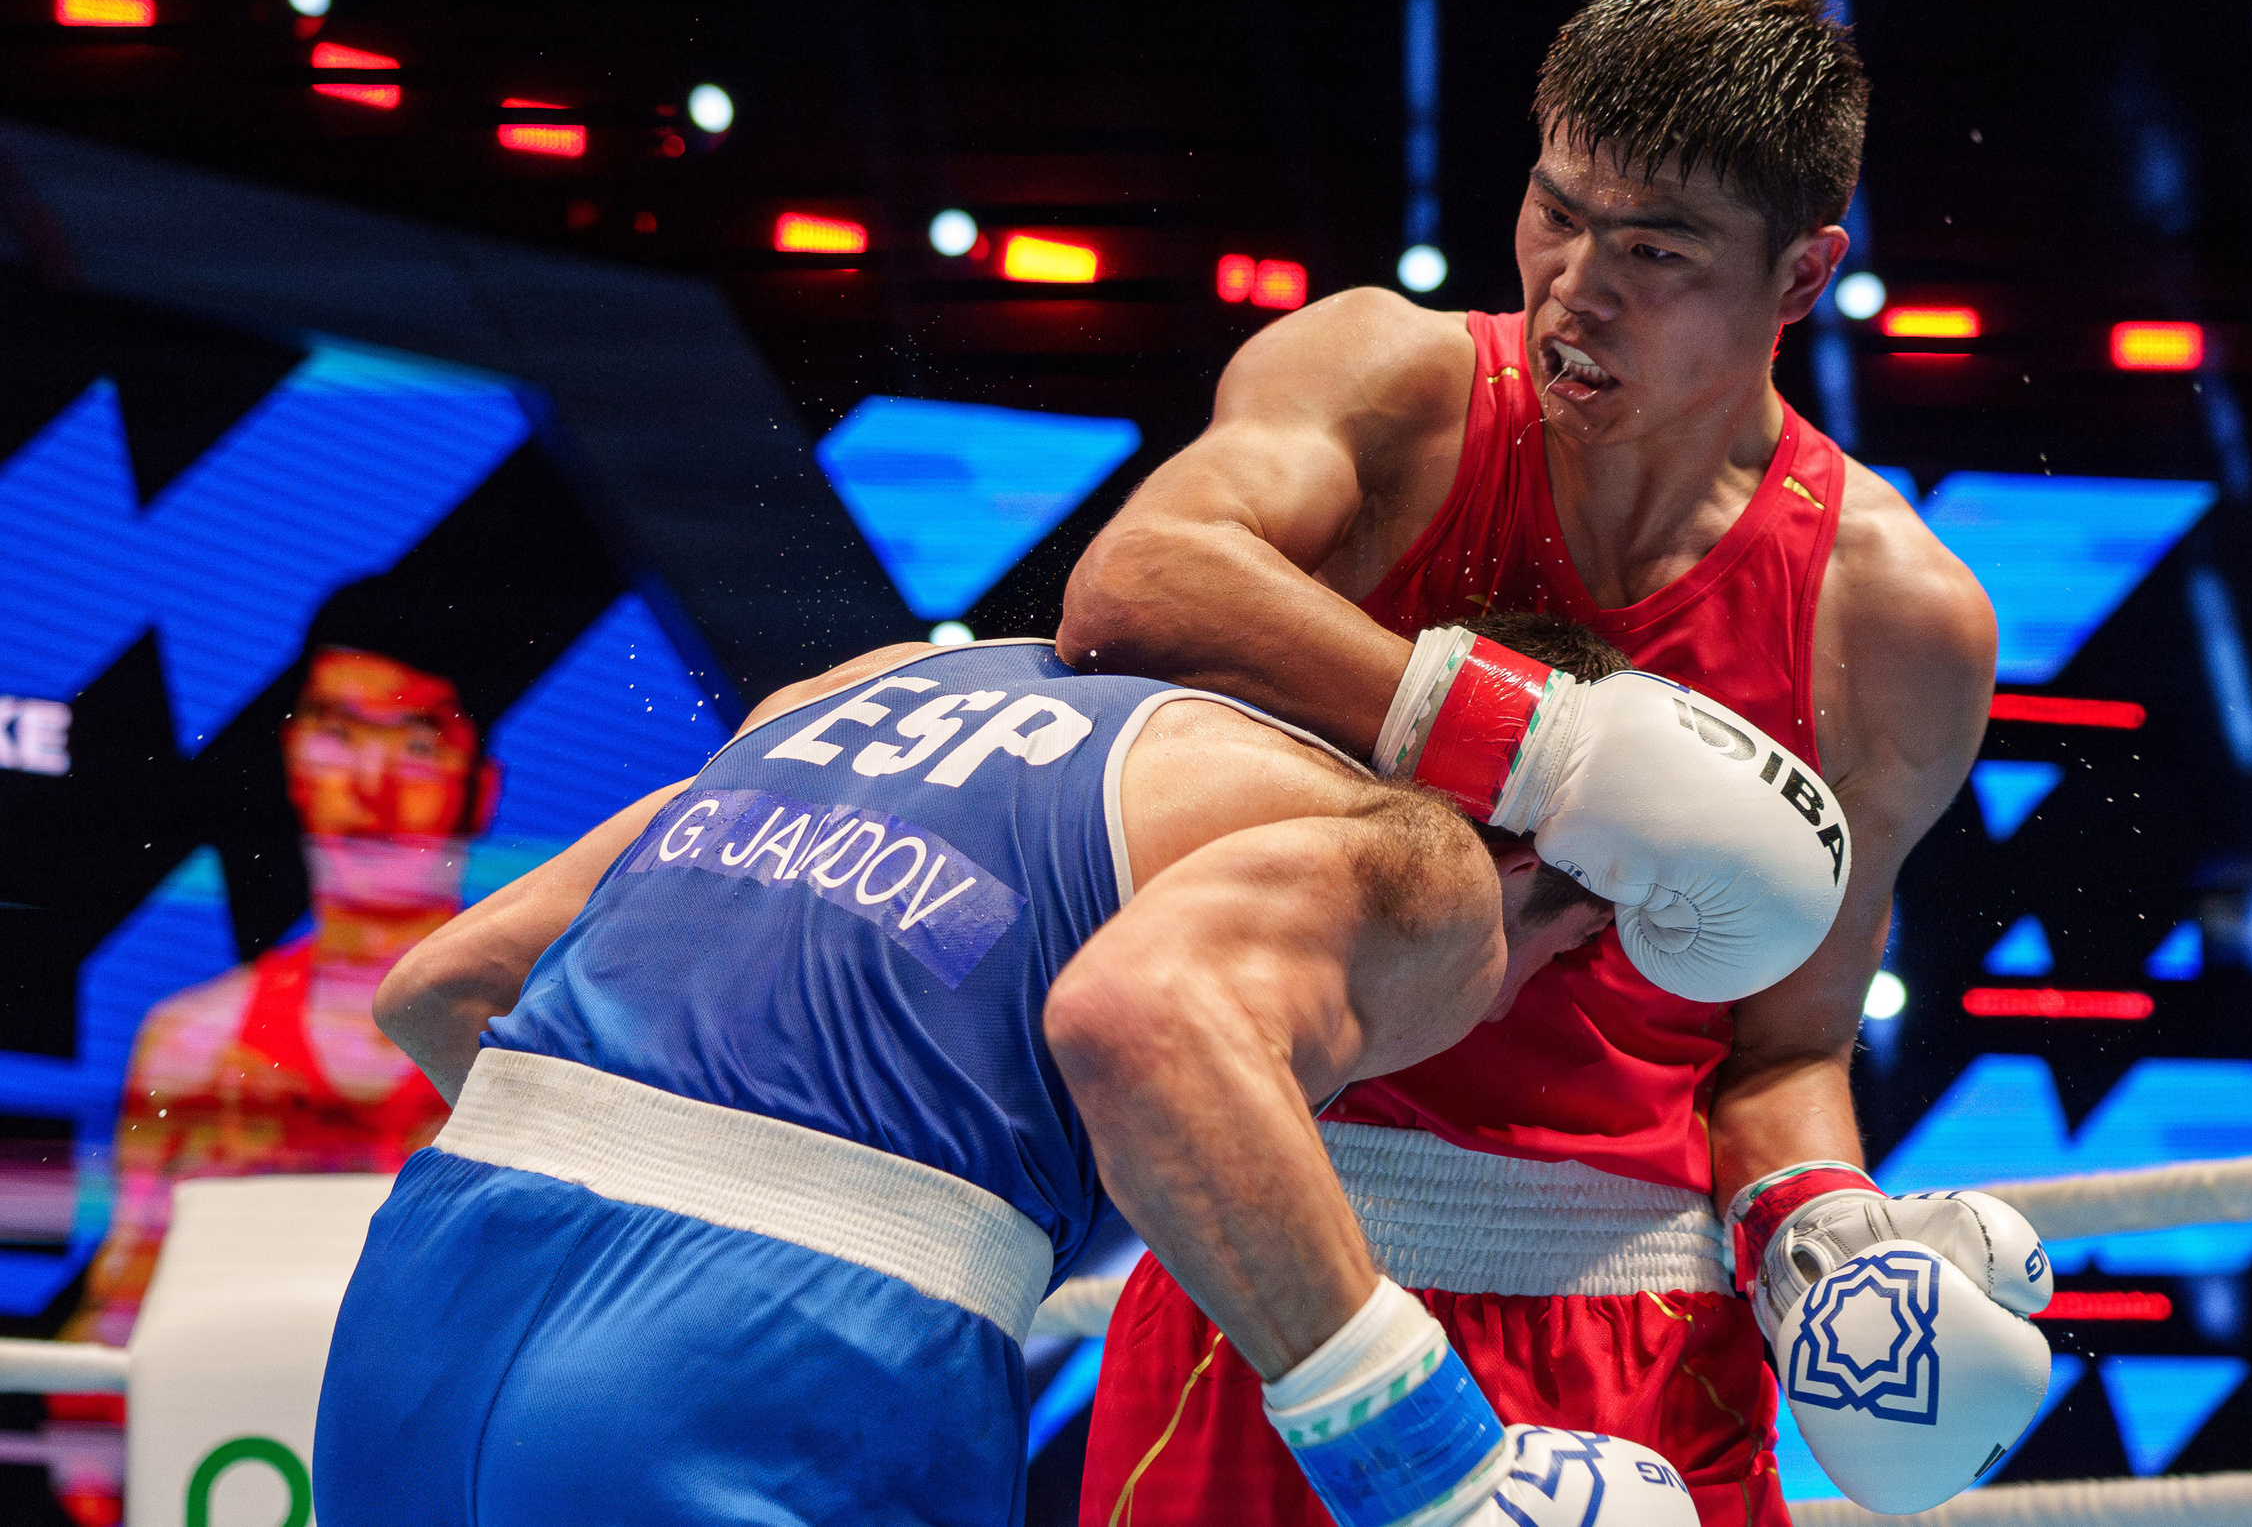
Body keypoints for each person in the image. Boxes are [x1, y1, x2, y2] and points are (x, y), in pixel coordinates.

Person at [1063, 0, 2052, 1526]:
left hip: (1650, 1339)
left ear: (1799, 278)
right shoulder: (1393, 391)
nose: (1575, 285)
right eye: (1556, 210)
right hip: (1287, 1272)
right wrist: (1549, 749)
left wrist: (1818, 1240)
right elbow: (1135, 585)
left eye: (1655, 249)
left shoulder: (1892, 620)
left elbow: (1783, 1040)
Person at [315, 622, 1816, 1527]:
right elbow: (1142, 1027)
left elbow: (445, 986)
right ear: (1553, 866)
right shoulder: (1425, 863)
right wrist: (1439, 1469)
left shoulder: (880, 687)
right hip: (771, 1354)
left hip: (426, 1302)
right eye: (1560, 961)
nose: (1514, 994)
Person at [47, 648, 477, 1527]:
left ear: (483, 777)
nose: (370, 780)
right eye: (338, 731)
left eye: (417, 742)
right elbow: (116, 1319)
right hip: (231, 1471)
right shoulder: (193, 1044)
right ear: (292, 757)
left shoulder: (554, 1038)